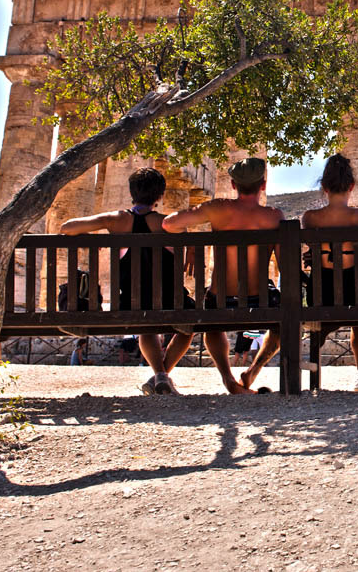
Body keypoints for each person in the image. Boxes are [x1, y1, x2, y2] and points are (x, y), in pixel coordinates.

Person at [254, 154, 358, 392]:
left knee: (350, 299)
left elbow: (313, 255)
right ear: (352, 187)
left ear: (324, 187)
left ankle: (320, 369)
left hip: (322, 292)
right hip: (356, 291)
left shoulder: (310, 218)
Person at [60, 167, 192, 394]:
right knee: (187, 327)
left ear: (132, 192)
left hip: (131, 302)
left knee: (146, 327)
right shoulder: (168, 223)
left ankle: (160, 375)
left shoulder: (116, 220)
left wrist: (93, 238)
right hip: (173, 300)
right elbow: (187, 247)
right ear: (160, 195)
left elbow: (67, 228)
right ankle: (161, 376)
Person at [163, 157, 284, 394]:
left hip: (219, 300)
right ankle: (253, 371)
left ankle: (228, 379)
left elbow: (169, 224)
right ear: (263, 185)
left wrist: (192, 242)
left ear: (232, 184)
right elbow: (285, 265)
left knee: (212, 324)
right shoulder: (274, 216)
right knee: (283, 322)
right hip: (260, 300)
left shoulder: (217, 209)